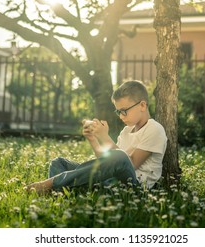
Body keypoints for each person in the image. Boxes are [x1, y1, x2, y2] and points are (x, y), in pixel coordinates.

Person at [26, 80, 167, 194]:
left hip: (132, 187)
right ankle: (63, 190)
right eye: (118, 112)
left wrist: (104, 137)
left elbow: (130, 163)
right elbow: (107, 164)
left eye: (124, 111)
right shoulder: (126, 131)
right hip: (109, 181)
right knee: (59, 163)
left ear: (142, 105)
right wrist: (93, 139)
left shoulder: (154, 129)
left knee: (119, 156)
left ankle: (51, 184)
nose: (121, 116)